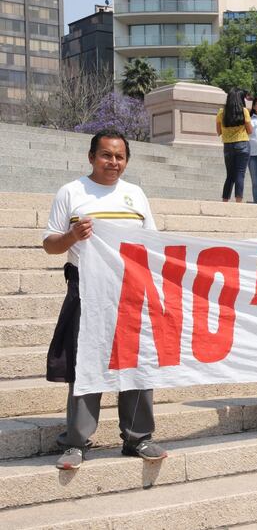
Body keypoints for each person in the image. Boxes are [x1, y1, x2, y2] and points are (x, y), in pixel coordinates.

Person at [42, 129, 167, 470]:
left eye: (120, 157)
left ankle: (138, 436)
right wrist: (71, 235)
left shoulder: (136, 195)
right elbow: (50, 244)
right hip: (86, 289)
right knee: (86, 363)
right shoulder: (71, 192)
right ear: (91, 157)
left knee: (136, 362)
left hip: (130, 289)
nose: (113, 163)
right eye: (106, 155)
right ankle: (77, 441)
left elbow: (152, 243)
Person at [216, 88, 253, 203]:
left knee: (230, 175)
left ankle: (225, 200)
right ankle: (238, 202)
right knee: (240, 174)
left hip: (228, 146)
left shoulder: (221, 112)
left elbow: (219, 132)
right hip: (242, 144)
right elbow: (250, 130)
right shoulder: (244, 111)